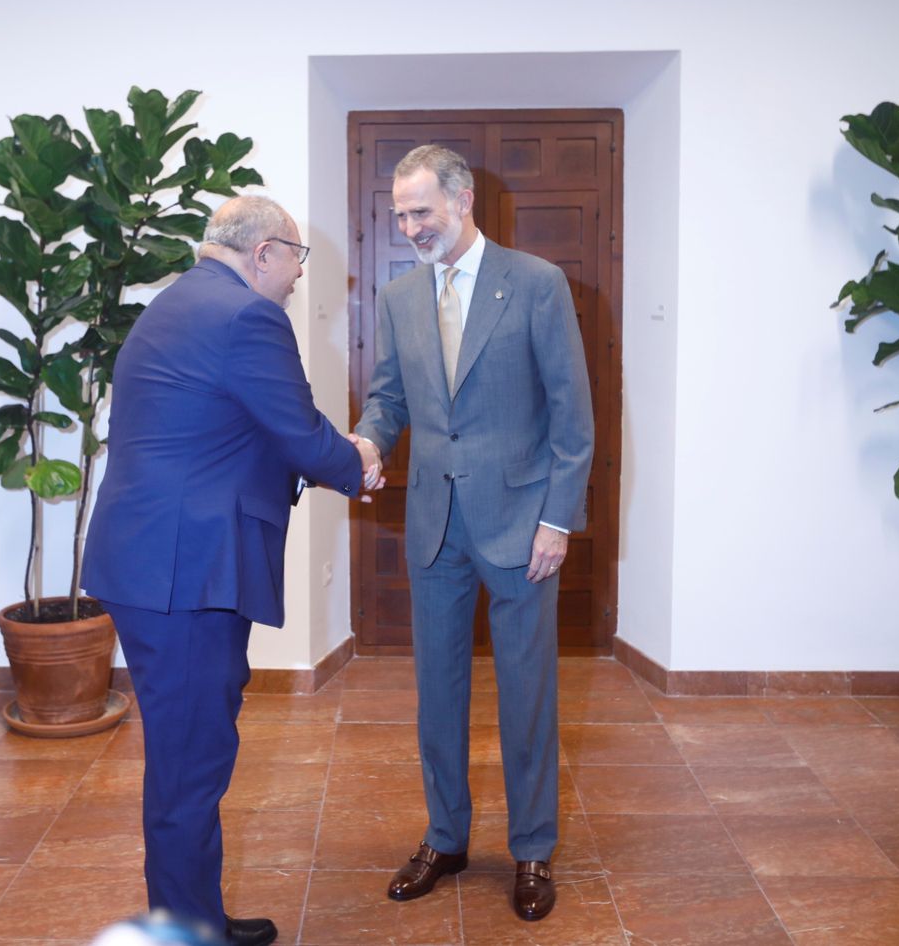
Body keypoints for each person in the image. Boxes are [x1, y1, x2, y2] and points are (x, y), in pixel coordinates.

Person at [84, 196, 364, 946]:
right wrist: (357, 463)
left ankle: (195, 916)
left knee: (189, 756)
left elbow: (227, 428)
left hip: (160, 563)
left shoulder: (176, 302)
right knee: (189, 766)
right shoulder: (247, 317)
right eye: (297, 259)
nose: (298, 277)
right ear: (264, 252)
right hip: (185, 571)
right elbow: (298, 432)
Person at [353, 145, 594, 922]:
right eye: (400, 215)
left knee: (526, 694)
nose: (410, 227)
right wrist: (368, 442)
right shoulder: (399, 297)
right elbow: (388, 398)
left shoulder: (536, 283)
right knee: (438, 692)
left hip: (523, 525)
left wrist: (556, 519)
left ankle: (532, 849)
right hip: (435, 524)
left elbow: (573, 417)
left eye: (421, 211)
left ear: (462, 200)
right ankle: (445, 837)